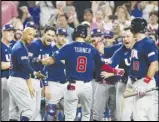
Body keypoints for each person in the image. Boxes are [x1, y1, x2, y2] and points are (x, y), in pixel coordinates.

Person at [39, 24, 125, 121]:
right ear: (85, 35)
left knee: (69, 116)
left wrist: (40, 61)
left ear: (75, 33)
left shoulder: (68, 47)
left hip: (72, 86)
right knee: (86, 114)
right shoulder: (92, 49)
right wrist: (115, 70)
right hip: (87, 86)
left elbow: (51, 60)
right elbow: (102, 65)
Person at [7, 27, 46, 121]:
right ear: (23, 33)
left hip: (14, 80)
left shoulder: (20, 46)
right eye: (29, 34)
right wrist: (35, 73)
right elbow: (24, 66)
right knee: (28, 111)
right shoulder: (20, 47)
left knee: (14, 113)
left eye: (33, 35)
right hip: (18, 80)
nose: (32, 37)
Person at [101, 29, 136, 121]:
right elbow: (110, 65)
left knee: (139, 114)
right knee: (121, 116)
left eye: (128, 36)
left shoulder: (141, 48)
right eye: (124, 37)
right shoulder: (120, 51)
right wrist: (111, 71)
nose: (125, 39)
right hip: (124, 85)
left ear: (134, 38)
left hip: (139, 84)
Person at [128, 17, 158, 121]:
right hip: (138, 82)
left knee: (140, 116)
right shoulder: (137, 43)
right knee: (148, 116)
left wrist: (146, 82)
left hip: (145, 82)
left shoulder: (148, 43)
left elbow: (154, 64)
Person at [27, 26, 56, 121]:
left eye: (52, 35)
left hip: (39, 80)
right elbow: (28, 61)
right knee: (29, 110)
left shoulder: (50, 48)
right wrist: (40, 61)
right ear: (43, 33)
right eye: (48, 34)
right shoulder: (34, 44)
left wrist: (45, 85)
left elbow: (45, 68)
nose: (50, 37)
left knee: (36, 110)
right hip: (30, 79)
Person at [43, 28, 68, 121]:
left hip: (66, 84)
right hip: (53, 83)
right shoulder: (50, 50)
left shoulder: (68, 50)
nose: (63, 38)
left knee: (69, 112)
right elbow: (43, 69)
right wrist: (46, 86)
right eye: (61, 35)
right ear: (56, 37)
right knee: (50, 113)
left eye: (64, 36)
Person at [1, 24, 15, 121]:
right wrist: (14, 63)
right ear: (3, 32)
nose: (11, 33)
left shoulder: (10, 48)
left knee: (7, 110)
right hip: (2, 80)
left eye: (12, 31)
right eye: (9, 31)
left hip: (9, 81)